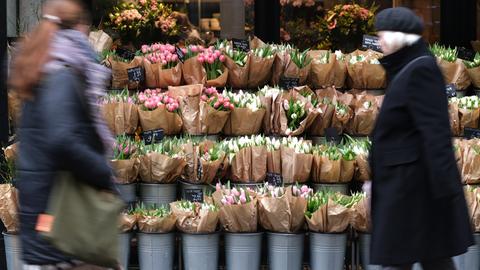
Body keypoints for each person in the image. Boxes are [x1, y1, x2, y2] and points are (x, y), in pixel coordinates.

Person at [9, 0, 117, 269]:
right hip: (59, 221)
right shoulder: (63, 73)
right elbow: (62, 139)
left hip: (45, 215)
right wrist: (102, 172)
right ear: (80, 27)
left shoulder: (41, 64)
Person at [370, 7, 474, 270]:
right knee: (430, 258)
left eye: (383, 35)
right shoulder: (406, 67)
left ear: (398, 37)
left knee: (413, 259)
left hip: (414, 191)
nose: (379, 42)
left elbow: (435, 133)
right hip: (407, 188)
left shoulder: (419, 69)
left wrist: (445, 190)